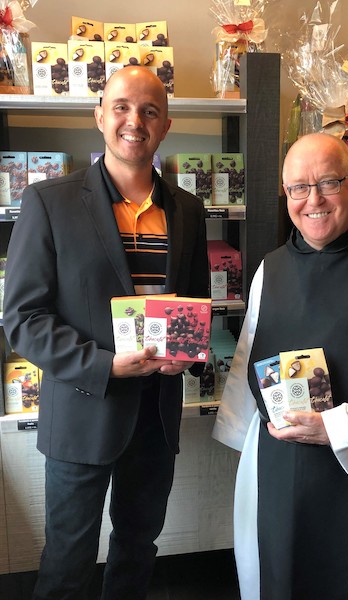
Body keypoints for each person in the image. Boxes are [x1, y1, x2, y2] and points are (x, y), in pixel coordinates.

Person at [3, 66, 209, 600]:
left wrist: (188, 354)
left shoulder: (188, 210)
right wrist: (104, 365)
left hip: (155, 415)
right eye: (121, 107)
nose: (134, 121)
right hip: (82, 411)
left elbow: (193, 307)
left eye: (149, 111)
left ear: (166, 125)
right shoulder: (49, 201)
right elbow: (23, 319)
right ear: (99, 116)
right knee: (68, 561)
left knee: (137, 550)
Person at [212, 133, 348, 600]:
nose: (313, 200)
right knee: (275, 575)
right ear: (286, 194)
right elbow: (248, 354)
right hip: (275, 459)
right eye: (298, 187)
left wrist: (335, 427)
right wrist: (241, 433)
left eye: (328, 182)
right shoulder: (271, 268)